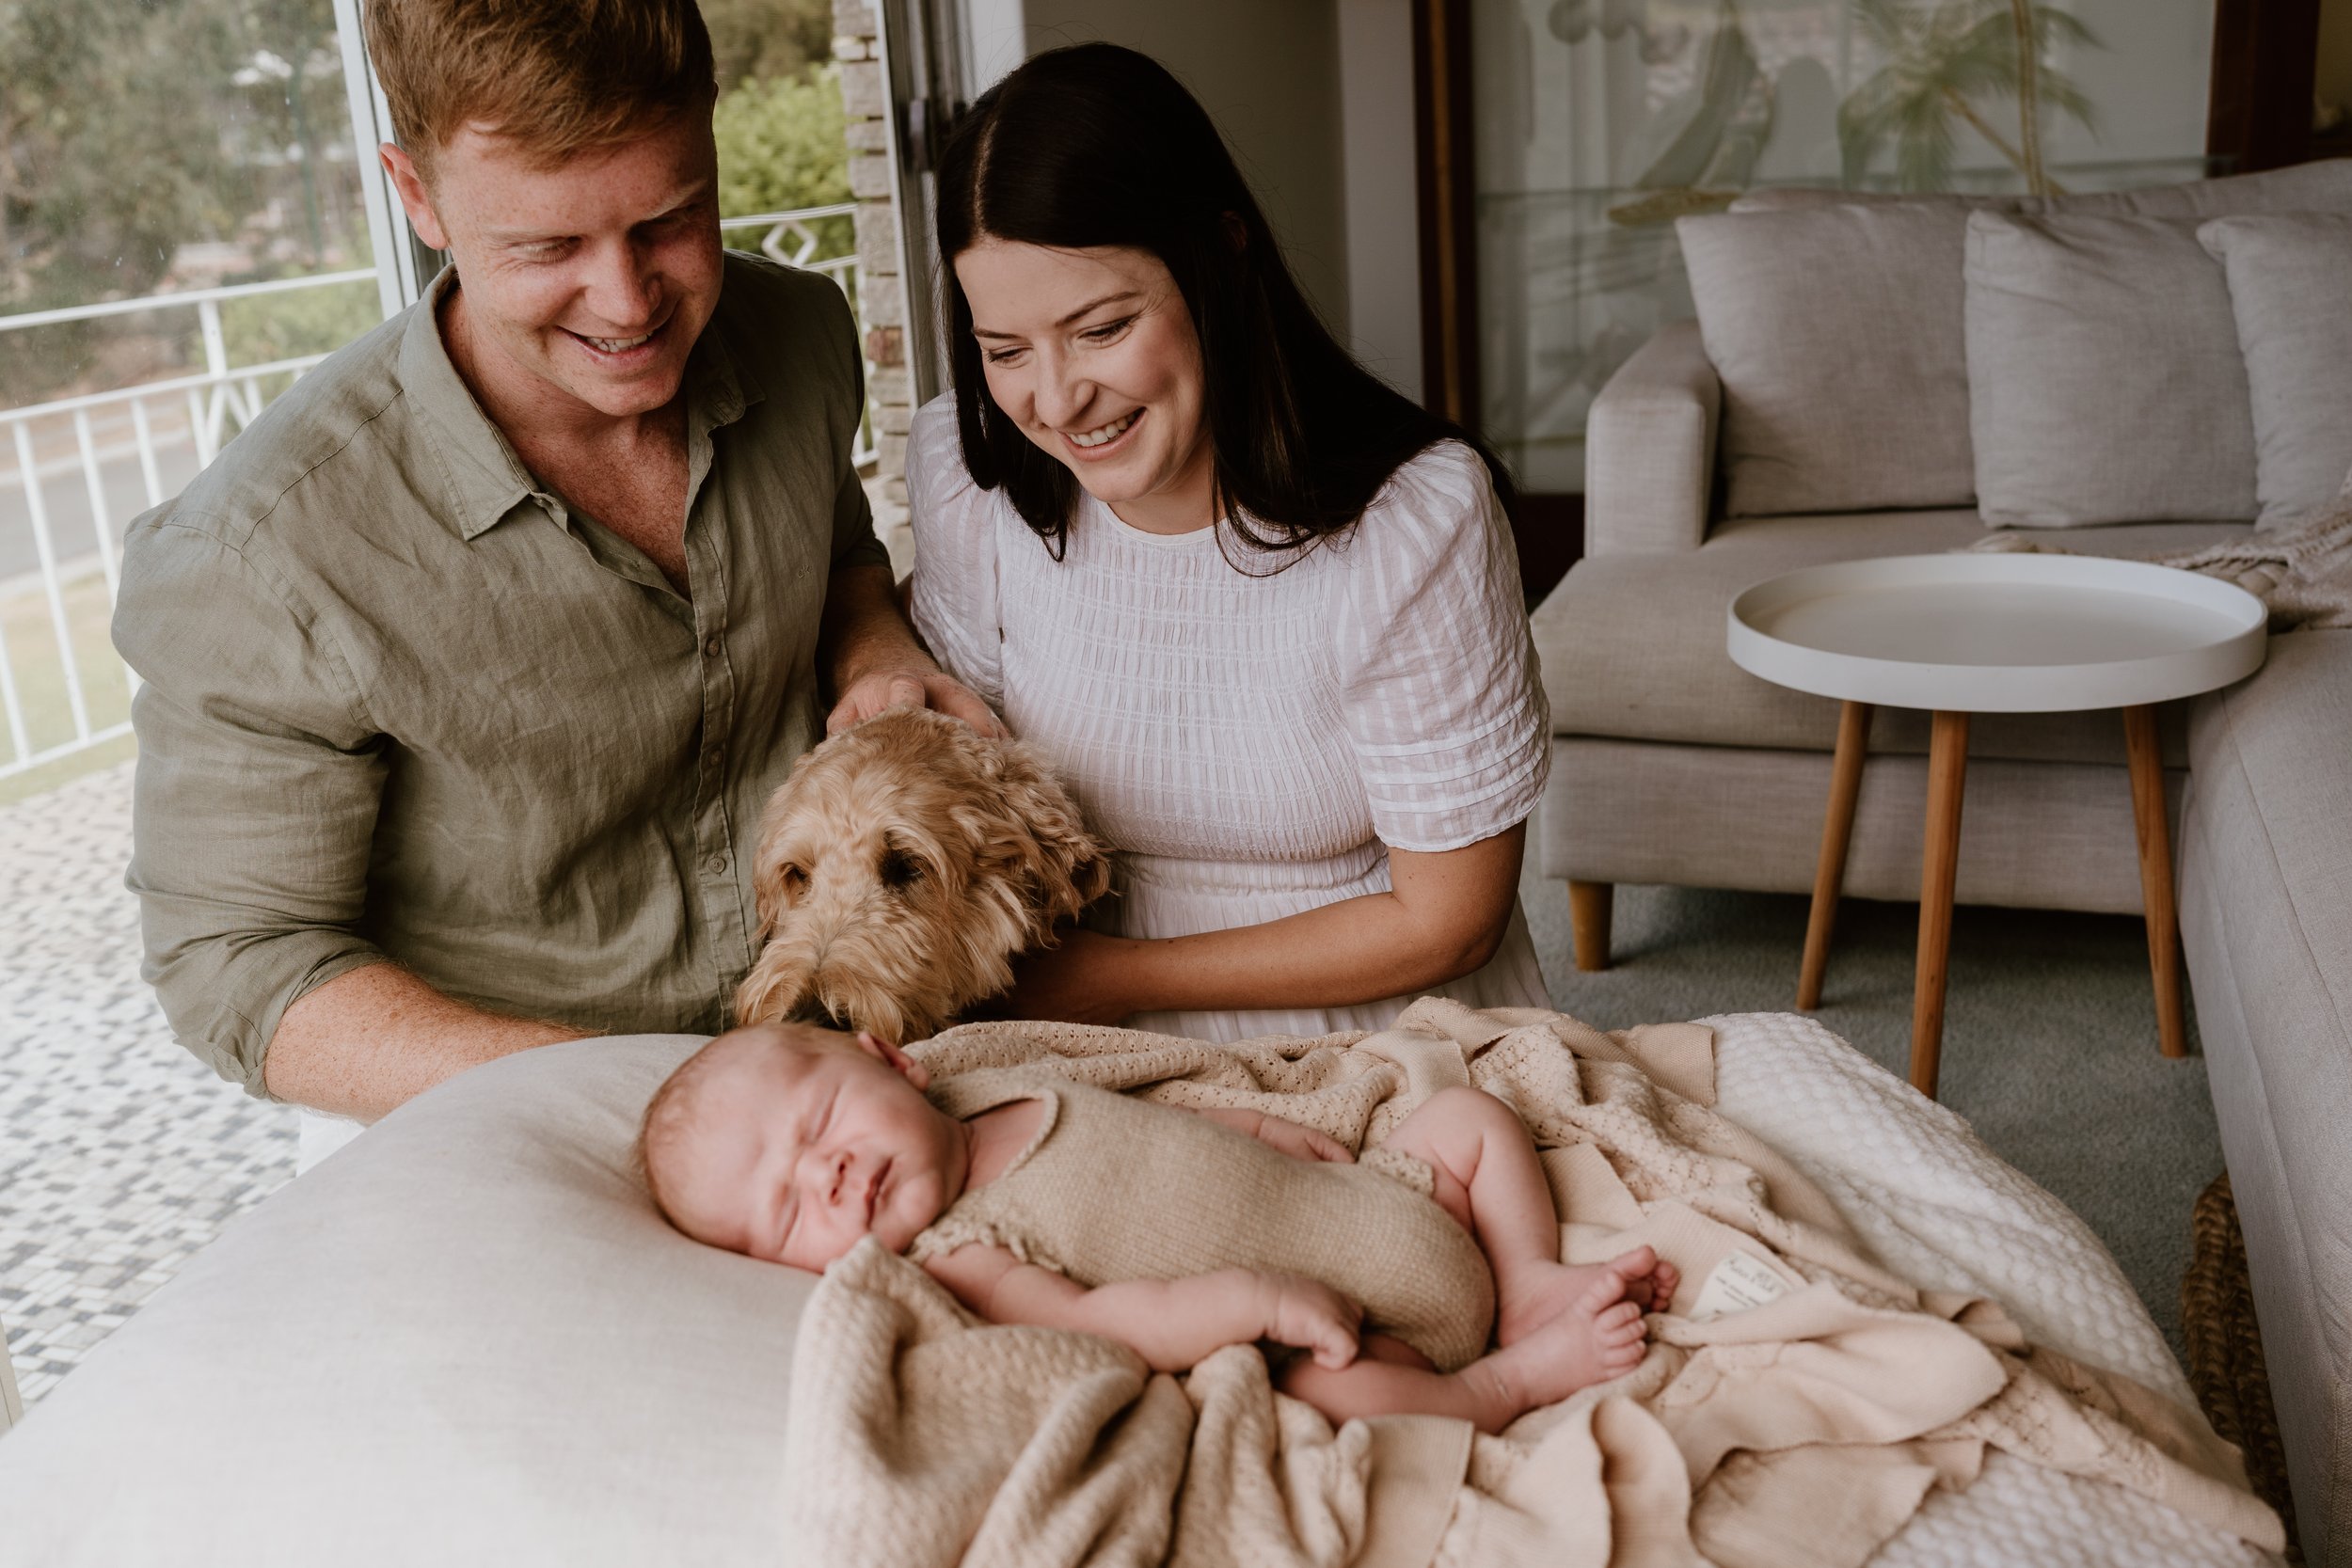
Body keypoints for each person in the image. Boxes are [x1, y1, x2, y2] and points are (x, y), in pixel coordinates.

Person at [110, 0, 990, 1164]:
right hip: (516, 1132)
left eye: (670, 220)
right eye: (544, 249)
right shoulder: (259, 552)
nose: (629, 304)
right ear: (415, 198)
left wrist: (874, 645)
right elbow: (240, 964)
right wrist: (640, 1088)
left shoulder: (803, 334)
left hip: (869, 1073)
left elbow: (835, 554)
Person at [909, 44, 1554, 1042]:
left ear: (1220, 253)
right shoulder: (973, 475)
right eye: (1005, 349)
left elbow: (1449, 920)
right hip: (1069, 1012)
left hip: (1368, 1023)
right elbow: (962, 772)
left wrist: (1114, 979)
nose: (1055, 397)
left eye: (1100, 327)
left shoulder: (1413, 520)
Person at [639, 1023, 1678, 1433]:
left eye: (819, 1122)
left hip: (1387, 1200)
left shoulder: (995, 1081)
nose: (825, 1173)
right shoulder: (963, 1251)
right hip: (1355, 1328)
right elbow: (1107, 1318)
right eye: (785, 1209)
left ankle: (1528, 1273)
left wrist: (1263, 1120)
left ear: (892, 1059)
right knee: (1319, 1388)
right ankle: (1501, 1381)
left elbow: (1150, 1114)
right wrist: (1254, 1301)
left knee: (1468, 1117)